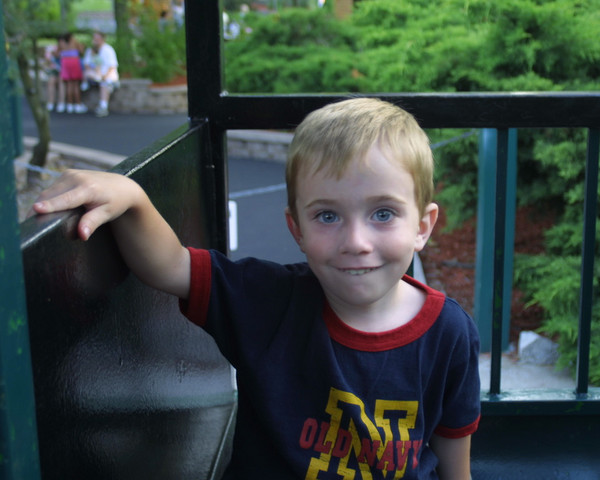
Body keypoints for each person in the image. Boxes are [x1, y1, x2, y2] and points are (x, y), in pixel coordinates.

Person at [32, 98, 481, 479]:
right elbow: (172, 266)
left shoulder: (449, 333)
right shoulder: (266, 299)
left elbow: (452, 455)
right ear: (297, 227)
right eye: (327, 216)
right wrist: (132, 198)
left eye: (383, 213)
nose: (356, 242)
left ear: (422, 226)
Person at [82, 31, 119, 117]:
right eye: (94, 39)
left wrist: (104, 76)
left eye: (97, 39)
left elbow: (112, 66)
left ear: (102, 39)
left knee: (105, 82)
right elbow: (86, 64)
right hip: (95, 75)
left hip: (108, 75)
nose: (95, 41)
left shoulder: (108, 50)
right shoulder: (90, 50)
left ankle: (103, 106)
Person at [58, 32, 87, 114]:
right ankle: (77, 104)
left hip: (65, 63)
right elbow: (81, 51)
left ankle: (69, 105)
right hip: (74, 62)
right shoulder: (74, 42)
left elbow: (57, 53)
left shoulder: (61, 43)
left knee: (69, 85)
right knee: (75, 85)